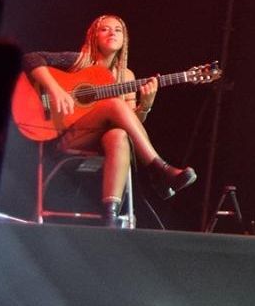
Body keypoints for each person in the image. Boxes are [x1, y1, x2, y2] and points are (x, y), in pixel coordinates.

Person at [21, 14, 197, 227]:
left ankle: (110, 217)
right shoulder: (78, 62)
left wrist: (146, 104)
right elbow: (31, 58)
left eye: (118, 30)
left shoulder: (127, 76)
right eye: (105, 29)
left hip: (103, 142)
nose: (112, 32)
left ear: (125, 40)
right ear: (93, 36)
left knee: (120, 134)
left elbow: (133, 124)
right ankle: (158, 169)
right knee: (113, 104)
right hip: (66, 135)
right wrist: (55, 89)